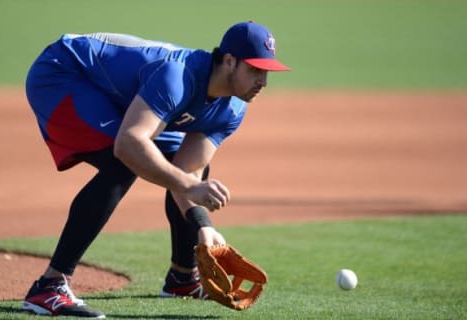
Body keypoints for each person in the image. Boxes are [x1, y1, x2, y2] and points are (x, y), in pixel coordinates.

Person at [22, 21, 290, 318]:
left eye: (267, 71)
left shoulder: (233, 108)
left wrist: (204, 226)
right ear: (229, 61)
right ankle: (50, 285)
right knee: (123, 163)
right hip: (64, 73)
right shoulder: (177, 76)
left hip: (114, 91)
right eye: (255, 69)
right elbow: (128, 145)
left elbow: (188, 169)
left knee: (175, 165)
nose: (263, 81)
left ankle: (182, 278)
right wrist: (189, 186)